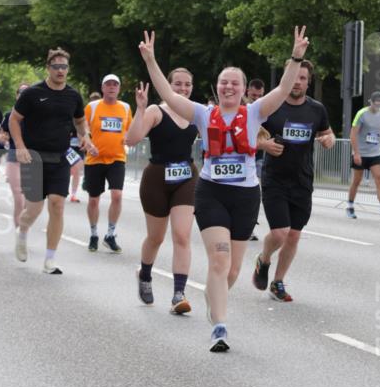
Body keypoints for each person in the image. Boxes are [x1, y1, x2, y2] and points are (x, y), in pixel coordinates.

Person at [139, 26, 311, 353]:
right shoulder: (204, 114)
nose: (229, 86)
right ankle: (220, 327)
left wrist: (296, 56)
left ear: (244, 89)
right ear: (217, 88)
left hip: (245, 196)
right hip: (212, 193)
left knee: (231, 270)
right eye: (223, 82)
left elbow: (284, 87)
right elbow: (170, 95)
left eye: (235, 83)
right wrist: (151, 61)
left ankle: (214, 298)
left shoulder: (256, 112)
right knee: (218, 262)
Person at [252, 59, 335, 302]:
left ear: (308, 83)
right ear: (285, 77)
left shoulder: (317, 109)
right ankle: (263, 259)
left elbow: (325, 132)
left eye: (302, 78)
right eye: (294, 77)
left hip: (302, 180)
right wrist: (264, 144)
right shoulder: (270, 106)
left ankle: (277, 281)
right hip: (274, 179)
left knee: (294, 236)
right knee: (279, 233)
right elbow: (249, 134)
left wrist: (329, 138)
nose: (297, 82)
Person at [9, 48, 94, 274]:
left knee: (57, 205)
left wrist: (85, 136)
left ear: (68, 69)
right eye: (56, 66)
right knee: (34, 209)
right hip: (34, 157)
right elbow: (14, 120)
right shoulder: (32, 94)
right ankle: (23, 231)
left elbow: (79, 122)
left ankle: (49, 260)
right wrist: (20, 147)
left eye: (64, 66)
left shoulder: (73, 96)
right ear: (48, 68)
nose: (60, 70)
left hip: (60, 158)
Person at [125, 68, 198, 313]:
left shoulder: (195, 112)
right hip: (157, 177)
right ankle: (145, 274)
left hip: (186, 176)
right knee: (156, 237)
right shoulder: (157, 111)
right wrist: (141, 108)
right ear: (167, 85)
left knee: (182, 235)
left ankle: (179, 294)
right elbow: (131, 139)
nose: (183, 89)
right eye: (178, 84)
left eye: (188, 84)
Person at [83, 74, 132, 253]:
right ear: (103, 88)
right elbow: (83, 130)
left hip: (117, 158)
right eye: (108, 85)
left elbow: (129, 129)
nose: (112, 87)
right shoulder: (92, 107)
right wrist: (89, 143)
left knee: (117, 195)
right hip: (94, 159)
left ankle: (110, 234)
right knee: (94, 200)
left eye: (115, 85)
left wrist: (128, 136)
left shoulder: (126, 108)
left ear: (119, 89)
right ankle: (94, 234)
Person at [346, 91, 380, 221]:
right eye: (376, 102)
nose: (379, 104)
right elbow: (353, 134)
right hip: (360, 153)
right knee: (356, 181)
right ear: (371, 102)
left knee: (379, 178)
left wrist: (378, 143)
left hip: (375, 152)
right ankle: (350, 206)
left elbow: (378, 131)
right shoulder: (361, 114)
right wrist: (356, 153)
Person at [0, 84, 30, 227]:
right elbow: (2, 133)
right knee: (19, 197)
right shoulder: (9, 115)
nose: (23, 95)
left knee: (28, 201)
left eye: (26, 92)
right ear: (16, 95)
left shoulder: (36, 115)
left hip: (31, 158)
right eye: (21, 92)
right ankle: (19, 232)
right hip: (14, 156)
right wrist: (3, 137)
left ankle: (22, 230)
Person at [246, 78, 266, 240]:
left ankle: (250, 227)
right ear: (247, 92)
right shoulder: (242, 108)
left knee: (255, 193)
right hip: (241, 157)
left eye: (259, 96)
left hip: (258, 158)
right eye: (253, 96)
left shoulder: (264, 109)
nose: (256, 99)